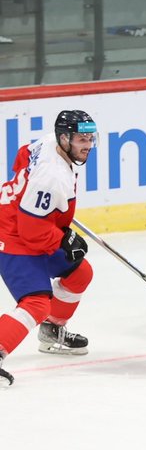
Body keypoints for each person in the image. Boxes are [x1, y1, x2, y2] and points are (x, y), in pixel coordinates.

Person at [0, 110, 98, 387]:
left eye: (90, 138)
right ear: (64, 138)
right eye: (81, 138)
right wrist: (63, 240)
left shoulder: (46, 142)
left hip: (24, 221)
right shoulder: (52, 177)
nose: (88, 145)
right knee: (35, 302)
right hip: (12, 235)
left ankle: (53, 331)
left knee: (80, 273)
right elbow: (32, 232)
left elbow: (21, 156)